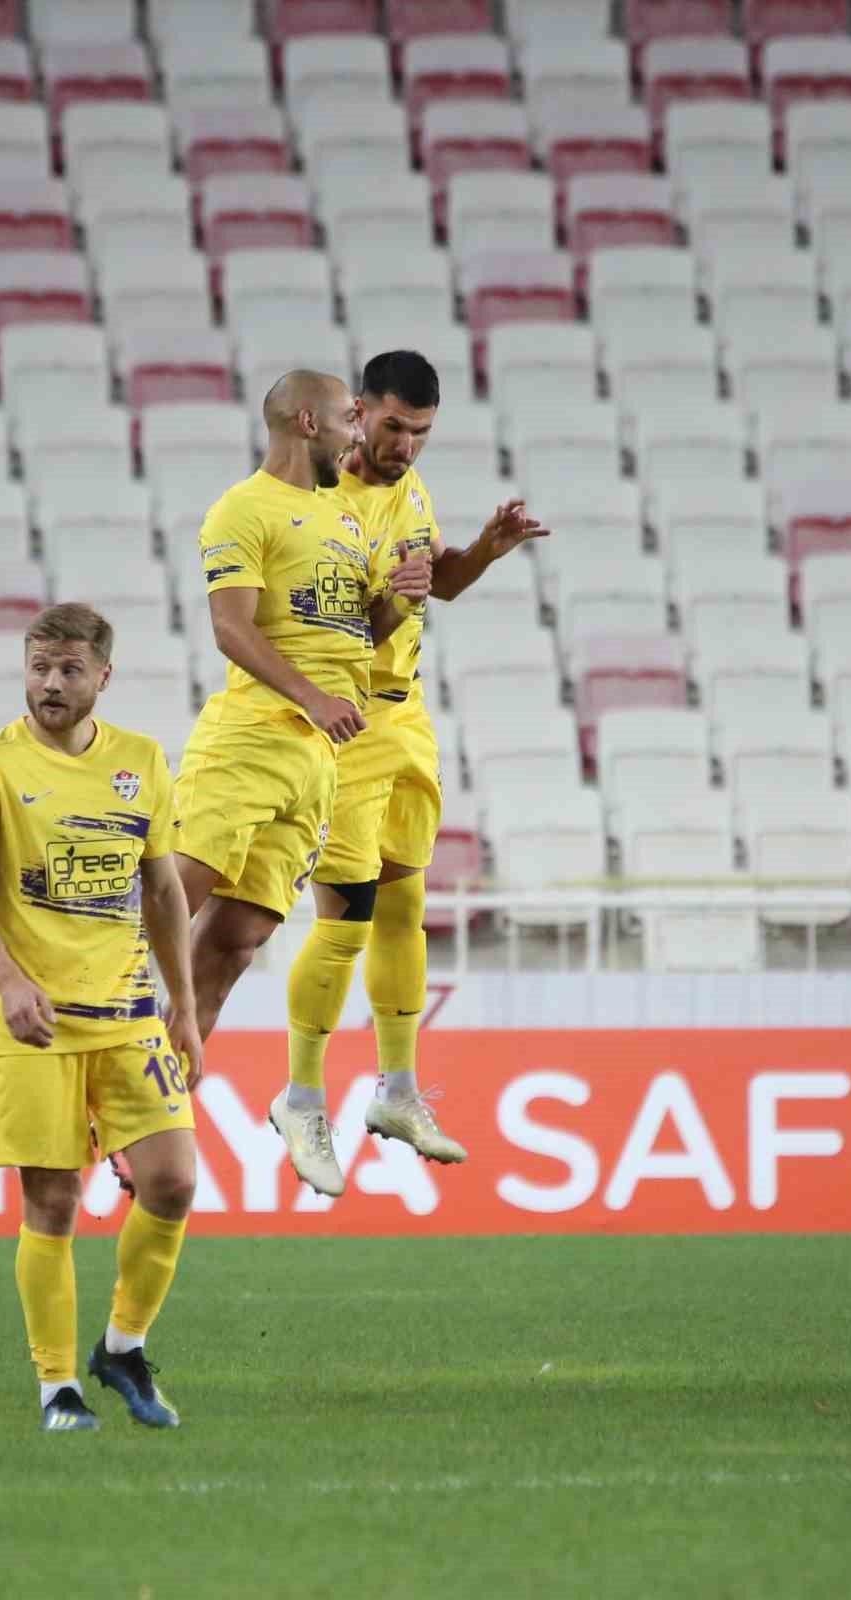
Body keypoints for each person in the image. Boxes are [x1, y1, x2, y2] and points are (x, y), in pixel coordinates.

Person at [281, 350, 549, 1196]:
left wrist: (484, 553)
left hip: (405, 718)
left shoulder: (411, 490)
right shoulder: (319, 503)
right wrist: (396, 597)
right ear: (356, 412)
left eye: (422, 433)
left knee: (404, 910)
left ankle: (395, 1090)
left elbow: (438, 586)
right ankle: (302, 1097)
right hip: (345, 720)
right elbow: (336, 626)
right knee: (345, 920)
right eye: (393, 426)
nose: (406, 445)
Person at [0, 603, 204, 1436]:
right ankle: (57, 1387)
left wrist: (185, 1008)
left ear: (101, 676)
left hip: (129, 1018)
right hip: (37, 1026)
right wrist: (9, 982)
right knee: (52, 1206)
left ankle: (122, 1346)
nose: (50, 684)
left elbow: (162, 889)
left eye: (67, 670)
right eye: (38, 668)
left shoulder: (141, 761)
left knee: (174, 1181)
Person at [171, 369, 432, 1069]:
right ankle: (88, 1036)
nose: (359, 434)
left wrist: (400, 601)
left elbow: (354, 631)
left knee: (238, 939)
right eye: (350, 420)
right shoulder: (242, 509)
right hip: (252, 738)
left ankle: (152, 1094)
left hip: (318, 760)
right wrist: (312, 697)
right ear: (308, 424)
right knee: (171, 897)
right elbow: (231, 628)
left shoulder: (342, 519)